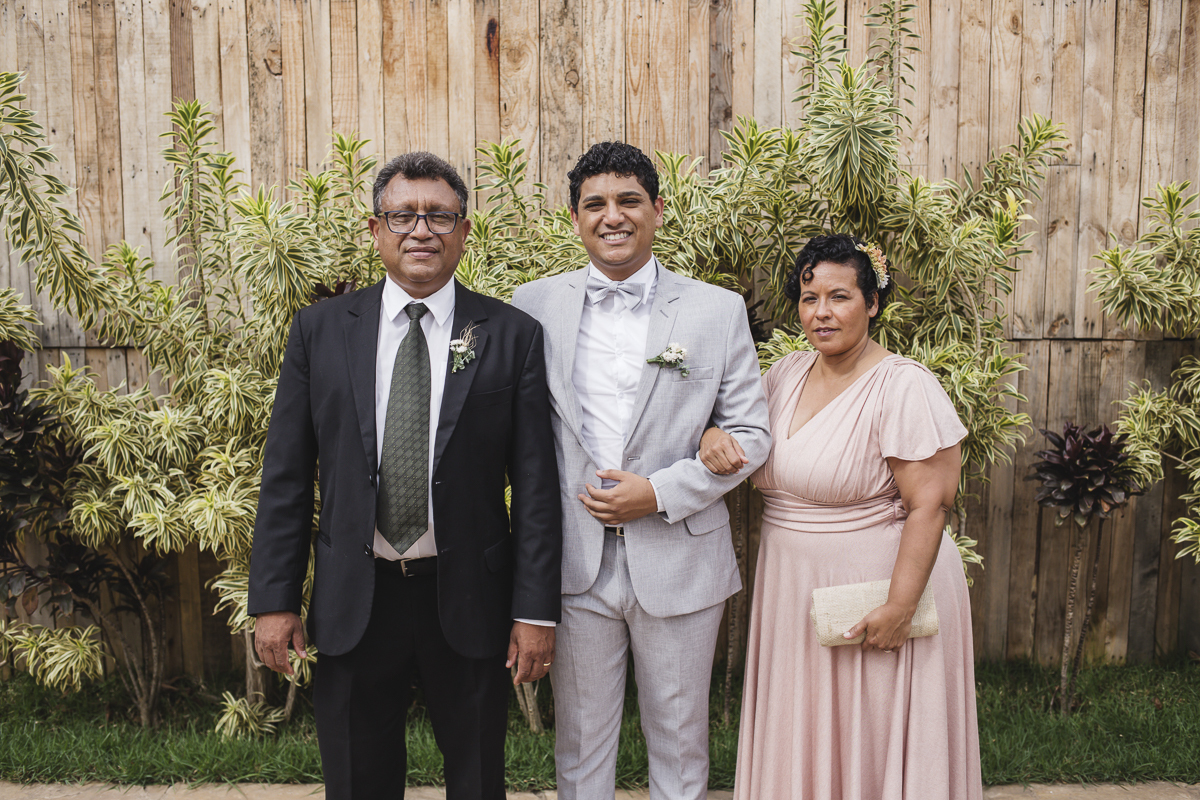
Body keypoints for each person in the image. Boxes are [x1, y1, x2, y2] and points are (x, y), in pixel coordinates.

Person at [248, 152, 562, 800]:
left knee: (477, 780)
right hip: (355, 597)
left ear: (464, 231)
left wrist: (535, 612)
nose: (422, 229)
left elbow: (535, 488)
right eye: (403, 215)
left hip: (468, 595)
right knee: (357, 781)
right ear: (376, 229)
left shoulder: (511, 336)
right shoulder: (319, 332)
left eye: (439, 216)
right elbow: (286, 476)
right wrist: (275, 600)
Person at [511, 141, 771, 800]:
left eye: (629, 200)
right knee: (579, 746)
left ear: (656, 209)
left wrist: (657, 492)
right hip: (575, 562)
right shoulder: (532, 305)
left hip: (681, 558)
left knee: (680, 745)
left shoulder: (715, 310)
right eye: (595, 204)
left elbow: (750, 434)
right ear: (575, 218)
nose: (613, 216)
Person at [701, 233, 983, 800]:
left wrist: (900, 607)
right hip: (792, 587)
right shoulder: (785, 374)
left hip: (875, 590)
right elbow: (739, 437)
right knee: (803, 729)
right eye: (809, 299)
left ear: (872, 303)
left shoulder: (903, 384)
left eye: (839, 297)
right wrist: (711, 433)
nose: (821, 312)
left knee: (870, 731)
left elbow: (930, 504)